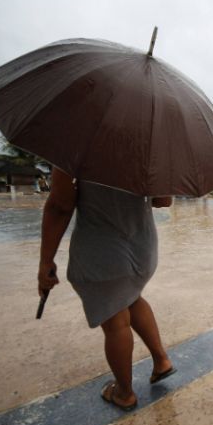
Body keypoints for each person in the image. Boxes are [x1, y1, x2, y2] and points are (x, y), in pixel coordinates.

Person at [38, 167, 176, 411]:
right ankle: (161, 361)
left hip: (104, 254)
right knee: (131, 299)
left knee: (115, 322)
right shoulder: (146, 145)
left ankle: (124, 393)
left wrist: (45, 261)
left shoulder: (77, 145)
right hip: (143, 248)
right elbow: (164, 201)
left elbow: (61, 205)